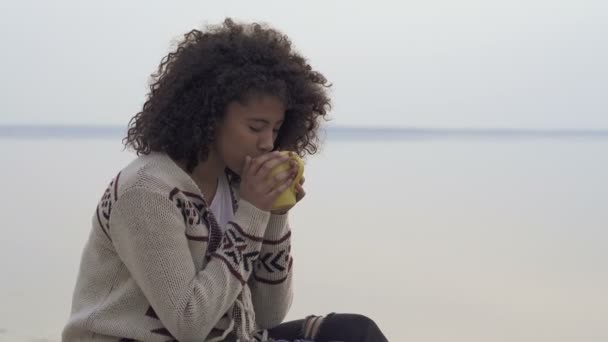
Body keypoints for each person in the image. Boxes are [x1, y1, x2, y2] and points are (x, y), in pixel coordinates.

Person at [62, 18, 388, 342]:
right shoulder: (147, 191)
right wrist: (252, 213)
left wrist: (274, 213)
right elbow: (189, 325)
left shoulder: (234, 186)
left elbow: (268, 315)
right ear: (210, 115)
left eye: (275, 129)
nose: (267, 143)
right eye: (255, 127)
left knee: (354, 332)